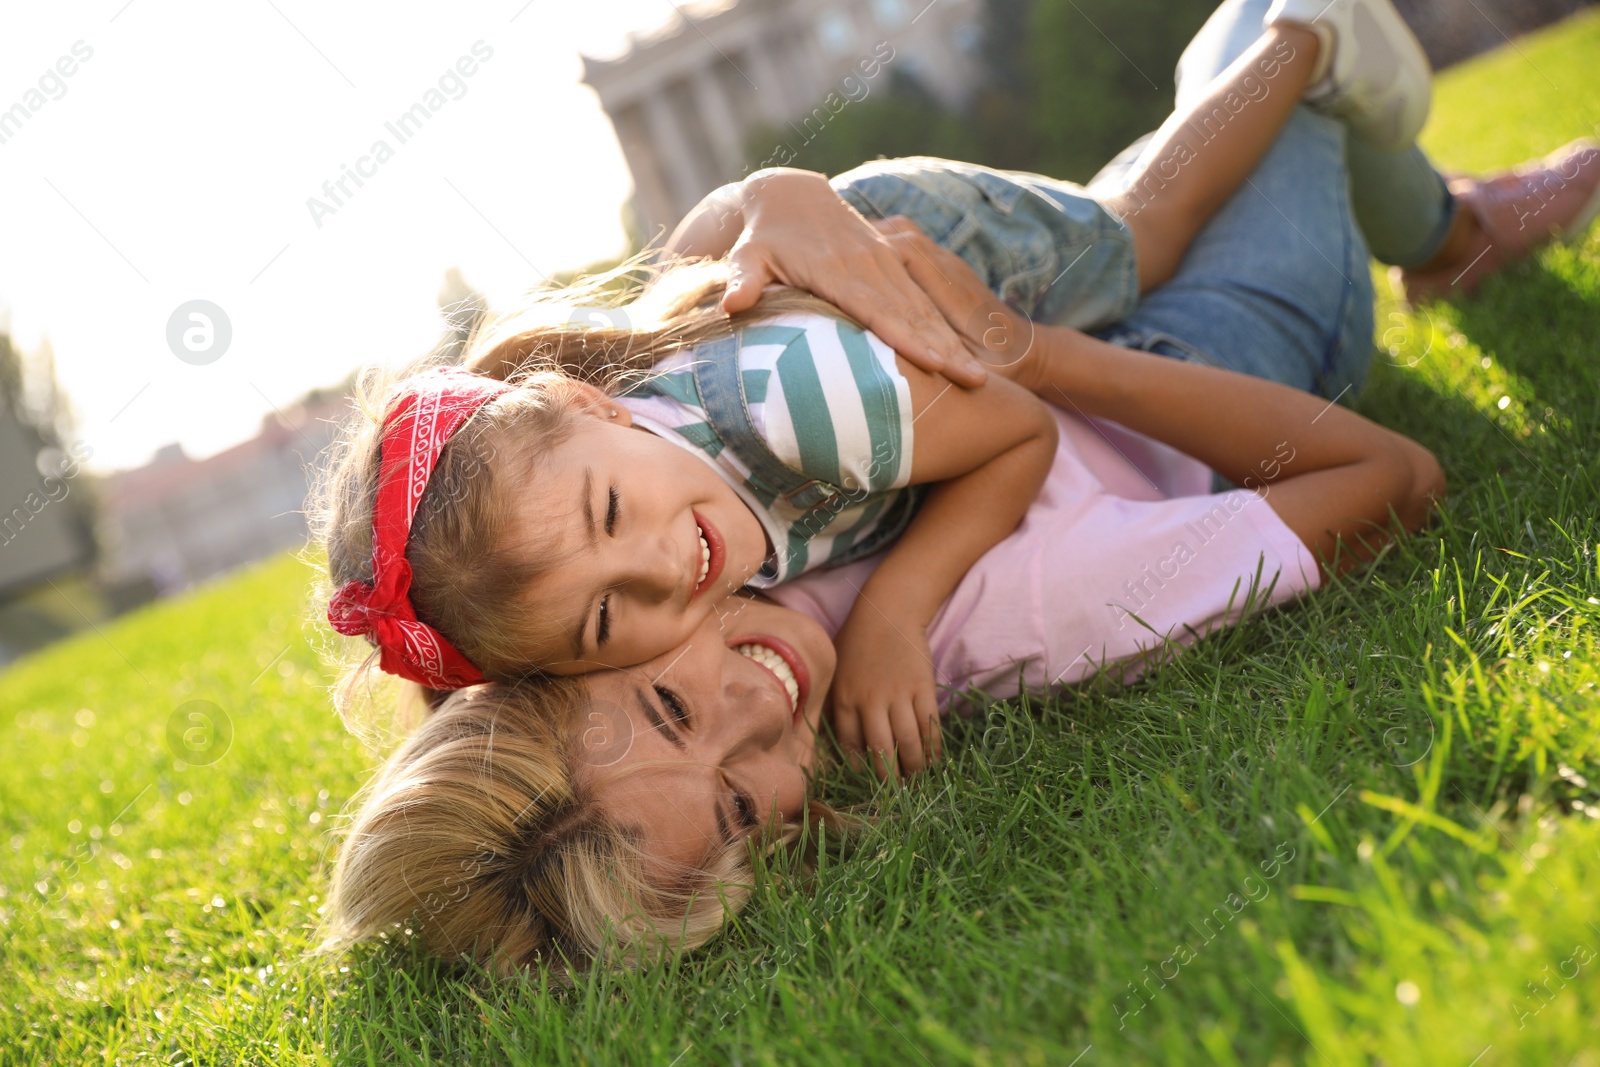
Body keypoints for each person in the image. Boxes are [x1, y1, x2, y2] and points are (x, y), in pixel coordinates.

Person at [321, 0, 1600, 974]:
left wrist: (780, 202)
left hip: (1042, 298)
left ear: (541, 681)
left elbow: (689, 315)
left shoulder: (660, 530)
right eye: (736, 806)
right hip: (1229, 342)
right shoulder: (1012, 624)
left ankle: (1441, 218)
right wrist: (1024, 352)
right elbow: (1391, 475)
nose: (758, 718)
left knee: (1118, 195)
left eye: (667, 707)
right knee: (1272, 39)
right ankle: (1411, 184)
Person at [319, 0, 1436, 775]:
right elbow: (691, 272)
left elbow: (1013, 425)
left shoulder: (802, 415)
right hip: (879, 340)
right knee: (1178, 197)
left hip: (942, 274)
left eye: (613, 516)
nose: (664, 569)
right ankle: (1449, 220)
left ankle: (1311, 33)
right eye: (605, 615)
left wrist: (899, 608)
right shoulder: (597, 486)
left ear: (592, 406)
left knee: (1144, 233)